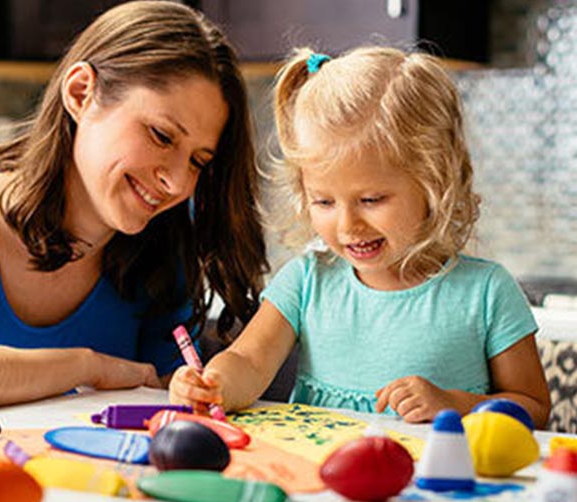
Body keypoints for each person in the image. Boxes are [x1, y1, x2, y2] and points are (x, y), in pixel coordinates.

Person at [0, 1, 268, 419]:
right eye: (161, 136)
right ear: (81, 93)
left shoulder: (161, 255)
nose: (179, 184)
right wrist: (88, 366)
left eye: (198, 161)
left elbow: (164, 403)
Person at [169, 46, 552, 427]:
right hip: (320, 480)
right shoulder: (307, 282)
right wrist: (213, 384)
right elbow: (248, 362)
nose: (348, 224)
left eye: (371, 199)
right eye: (324, 201)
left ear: (434, 181)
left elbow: (532, 406)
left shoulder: (487, 292)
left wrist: (456, 403)